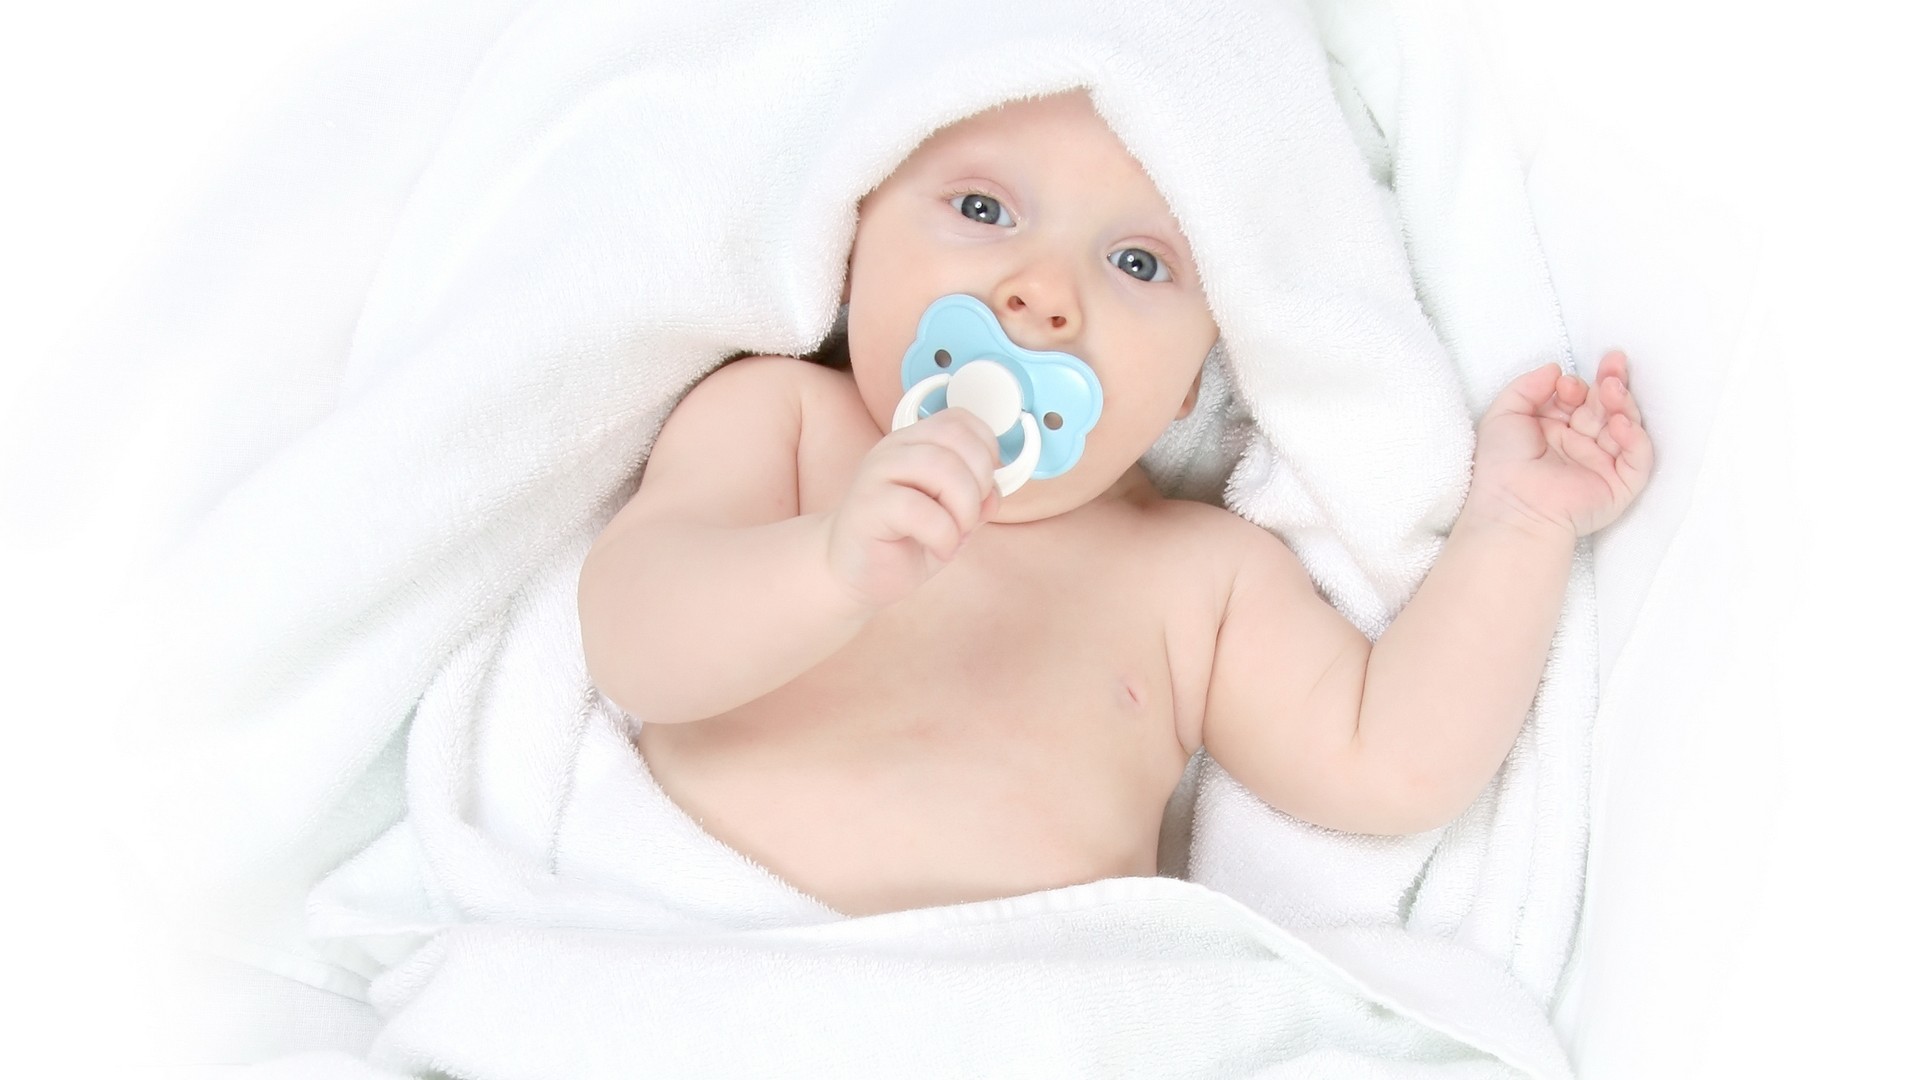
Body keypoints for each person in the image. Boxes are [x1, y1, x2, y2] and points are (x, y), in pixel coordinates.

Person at [576, 89, 1652, 917]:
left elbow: (1391, 762)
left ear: (1192, 380)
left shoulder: (1198, 579)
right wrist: (825, 568)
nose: (1043, 293)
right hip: (717, 953)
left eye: (1138, 262)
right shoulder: (784, 423)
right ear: (855, 246)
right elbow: (633, 642)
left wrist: (1517, 524)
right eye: (983, 208)